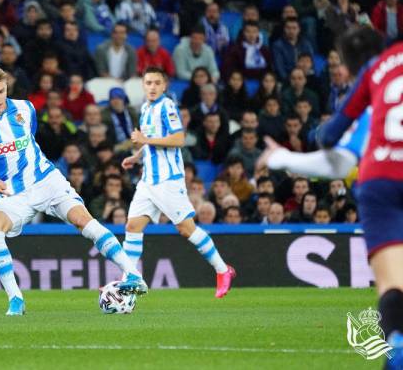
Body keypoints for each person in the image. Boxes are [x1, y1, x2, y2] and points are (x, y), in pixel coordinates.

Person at [0, 65, 147, 315]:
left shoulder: (25, 109)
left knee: (84, 220)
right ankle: (16, 299)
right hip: (11, 193)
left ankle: (133, 274)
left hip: (45, 180)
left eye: (1, 91)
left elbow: (31, 142)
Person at [263, 26, 403, 368]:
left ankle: (397, 345)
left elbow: (337, 155)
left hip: (380, 180)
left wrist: (283, 157)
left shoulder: (377, 77)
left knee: (393, 286)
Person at [121, 67, 235, 299]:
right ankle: (128, 282)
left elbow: (178, 139)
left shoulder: (168, 106)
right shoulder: (145, 108)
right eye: (148, 83)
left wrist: (144, 139)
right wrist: (137, 156)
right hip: (148, 180)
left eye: (157, 83)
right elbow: (151, 142)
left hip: (167, 180)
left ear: (164, 86)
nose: (152, 87)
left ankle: (223, 270)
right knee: (132, 227)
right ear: (143, 86)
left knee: (186, 229)